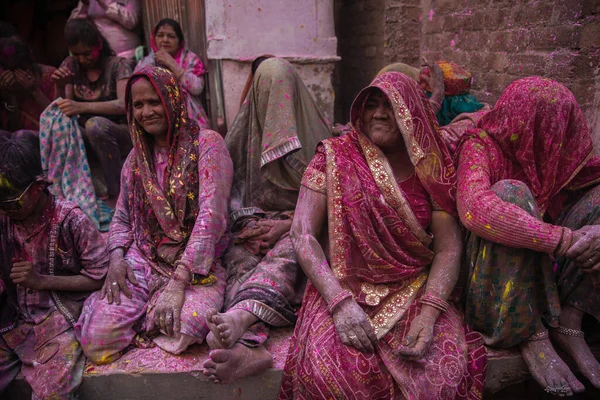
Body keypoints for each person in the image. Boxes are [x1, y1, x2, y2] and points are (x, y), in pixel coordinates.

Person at [279, 72, 487, 400]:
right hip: (343, 288)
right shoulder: (333, 156)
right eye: (370, 105)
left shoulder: (430, 166)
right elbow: (302, 233)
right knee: (329, 376)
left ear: (411, 113)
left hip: (413, 287)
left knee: (441, 376)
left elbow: (448, 248)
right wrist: (338, 303)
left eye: (390, 106)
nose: (378, 113)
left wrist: (431, 312)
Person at [75, 66, 233, 364]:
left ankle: (144, 316)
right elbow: (121, 217)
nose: (146, 112)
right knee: (96, 341)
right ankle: (144, 311)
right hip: (145, 258)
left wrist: (177, 284)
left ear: (172, 99)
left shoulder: (208, 144)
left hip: (197, 265)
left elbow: (212, 217)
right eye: (138, 105)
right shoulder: (135, 160)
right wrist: (117, 259)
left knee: (186, 326)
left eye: (154, 101)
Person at [456, 76, 600, 397]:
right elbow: (474, 208)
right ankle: (530, 334)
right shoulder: (480, 146)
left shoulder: (553, 156)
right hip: (488, 285)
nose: (557, 141)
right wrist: (563, 239)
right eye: (549, 132)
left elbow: (590, 171)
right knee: (511, 192)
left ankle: (568, 322)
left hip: (547, 274)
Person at [201, 58, 332, 383]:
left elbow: (339, 209)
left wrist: (284, 226)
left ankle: (241, 323)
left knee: (289, 255)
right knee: (236, 260)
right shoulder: (244, 139)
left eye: (280, 93)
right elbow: (228, 198)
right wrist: (247, 228)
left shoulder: (329, 146)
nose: (277, 114)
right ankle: (248, 344)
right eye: (267, 93)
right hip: (258, 226)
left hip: (302, 228)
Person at [0, 135, 108, 399]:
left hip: (55, 321)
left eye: (12, 202)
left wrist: (41, 281)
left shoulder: (71, 220)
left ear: (38, 187)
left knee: (53, 393)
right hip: (11, 320)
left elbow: (99, 277)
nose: (5, 210)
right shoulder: (4, 219)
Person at [42, 18, 132, 228]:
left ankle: (115, 193)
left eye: (87, 53)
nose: (82, 59)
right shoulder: (71, 65)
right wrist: (60, 86)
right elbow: (63, 108)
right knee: (62, 127)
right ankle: (65, 192)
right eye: (77, 54)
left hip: (118, 132)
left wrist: (81, 107)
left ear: (98, 46)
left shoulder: (118, 65)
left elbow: (123, 105)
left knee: (95, 125)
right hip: (85, 136)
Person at [136, 18, 210, 129]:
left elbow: (197, 88)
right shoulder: (145, 62)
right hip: (154, 114)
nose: (165, 40)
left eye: (171, 36)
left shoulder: (190, 59)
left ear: (180, 41)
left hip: (187, 114)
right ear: (154, 39)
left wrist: (172, 64)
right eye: (160, 35)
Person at [0, 36, 55, 136]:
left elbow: (59, 119)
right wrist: (10, 96)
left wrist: (34, 91)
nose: (19, 76)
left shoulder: (51, 76)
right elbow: (14, 127)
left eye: (23, 70)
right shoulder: (5, 83)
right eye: (13, 71)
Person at [70, 0, 141, 65]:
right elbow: (73, 29)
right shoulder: (86, 2)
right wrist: (85, 5)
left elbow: (132, 22)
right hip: (97, 59)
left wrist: (105, 3)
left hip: (126, 56)